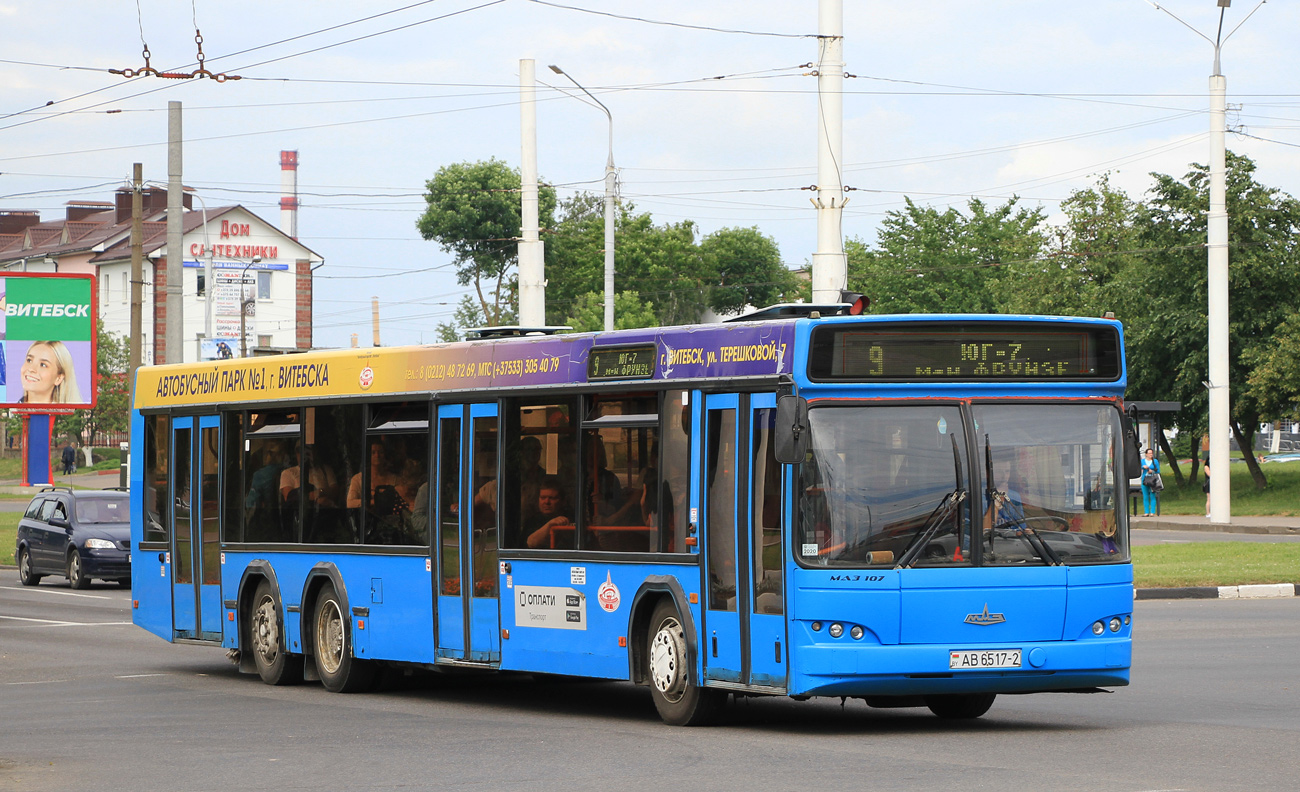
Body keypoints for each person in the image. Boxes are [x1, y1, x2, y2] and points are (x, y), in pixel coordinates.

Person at [525, 477, 573, 548]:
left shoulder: (572, 518)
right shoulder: (532, 521)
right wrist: (550, 525)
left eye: (552, 498)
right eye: (543, 498)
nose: (547, 502)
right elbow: (530, 543)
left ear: (563, 501)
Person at [1139, 448, 1161, 517]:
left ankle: (1152, 512)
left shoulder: (1155, 461)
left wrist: (1152, 471)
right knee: (1145, 496)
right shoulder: (1142, 461)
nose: (1151, 454)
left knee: (1152, 495)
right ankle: (1146, 512)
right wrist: (1143, 467)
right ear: (1146, 454)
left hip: (1152, 480)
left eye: (1151, 453)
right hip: (1145, 480)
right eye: (1149, 453)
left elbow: (1158, 471)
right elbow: (1140, 468)